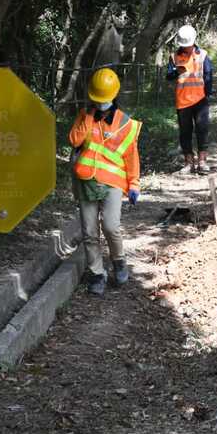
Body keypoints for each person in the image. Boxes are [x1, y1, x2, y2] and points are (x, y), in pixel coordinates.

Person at [68, 67, 142, 297]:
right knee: (89, 232)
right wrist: (88, 118)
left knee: (110, 226)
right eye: (97, 99)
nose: (100, 103)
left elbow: (131, 156)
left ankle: (119, 261)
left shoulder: (126, 124)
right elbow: (74, 140)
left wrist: (134, 184)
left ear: (114, 95)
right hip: (85, 181)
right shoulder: (85, 116)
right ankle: (97, 274)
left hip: (112, 182)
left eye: (104, 99)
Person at [167, 24, 214, 174]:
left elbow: (208, 75)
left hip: (200, 101)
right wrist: (176, 71)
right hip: (183, 102)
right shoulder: (174, 57)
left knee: (202, 130)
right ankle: (189, 163)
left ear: (194, 41)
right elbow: (169, 76)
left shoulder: (203, 54)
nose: (187, 47)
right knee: (185, 133)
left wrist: (207, 94)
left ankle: (202, 162)